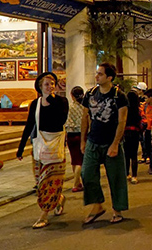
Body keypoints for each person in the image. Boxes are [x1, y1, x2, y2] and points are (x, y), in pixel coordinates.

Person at [16, 72, 69, 229]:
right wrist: (20, 148)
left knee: (51, 182)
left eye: (52, 83)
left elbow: (61, 119)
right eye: (46, 84)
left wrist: (50, 102)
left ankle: (43, 215)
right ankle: (58, 199)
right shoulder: (35, 104)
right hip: (40, 147)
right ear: (40, 87)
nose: (50, 86)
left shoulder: (61, 101)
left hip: (55, 147)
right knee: (40, 183)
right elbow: (30, 125)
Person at [81, 63, 129, 225]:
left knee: (116, 177)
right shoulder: (90, 94)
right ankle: (97, 205)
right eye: (97, 73)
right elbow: (84, 118)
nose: (97, 76)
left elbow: (122, 121)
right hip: (93, 141)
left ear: (109, 78)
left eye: (100, 74)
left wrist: (115, 144)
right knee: (86, 174)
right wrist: (83, 140)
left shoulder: (118, 96)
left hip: (111, 142)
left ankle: (118, 210)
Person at [125, 85, 146, 184]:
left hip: (125, 133)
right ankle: (134, 176)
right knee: (134, 155)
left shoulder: (124, 110)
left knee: (126, 155)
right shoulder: (138, 109)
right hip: (135, 133)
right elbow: (143, 122)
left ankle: (126, 174)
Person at [66, 86, 85, 192]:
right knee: (79, 161)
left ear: (72, 96)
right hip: (80, 135)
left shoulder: (70, 107)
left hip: (70, 135)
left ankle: (78, 182)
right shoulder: (84, 107)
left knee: (74, 160)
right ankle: (75, 184)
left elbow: (67, 122)